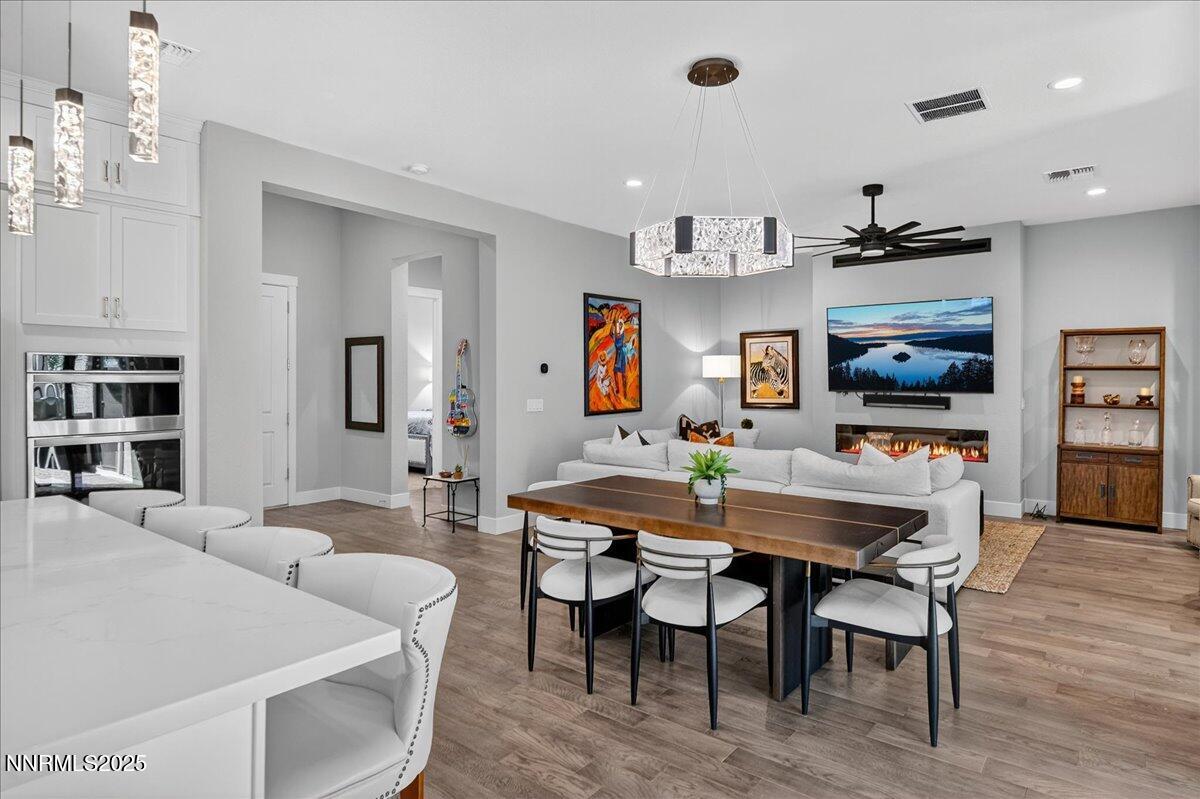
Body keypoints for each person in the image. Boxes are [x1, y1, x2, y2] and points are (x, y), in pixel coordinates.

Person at [611, 317, 627, 402]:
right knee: (615, 372)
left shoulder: (621, 333)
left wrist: (614, 324)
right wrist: (613, 325)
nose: (620, 325)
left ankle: (624, 391)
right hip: (618, 353)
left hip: (621, 354)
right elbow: (611, 334)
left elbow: (617, 337)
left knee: (623, 374)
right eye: (619, 324)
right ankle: (618, 389)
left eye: (621, 324)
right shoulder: (617, 333)